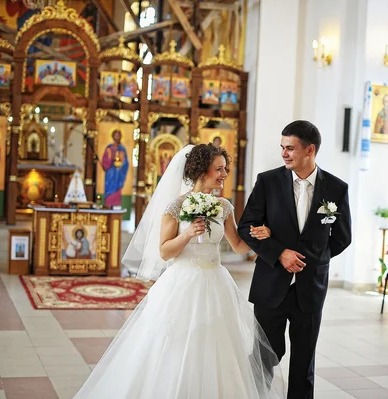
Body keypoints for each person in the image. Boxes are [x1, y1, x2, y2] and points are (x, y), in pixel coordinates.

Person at [74, 144, 284, 398]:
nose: (224, 174)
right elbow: (164, 252)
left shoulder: (224, 206)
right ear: (201, 170)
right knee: (175, 344)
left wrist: (260, 235)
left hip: (216, 282)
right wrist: (187, 234)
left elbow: (239, 246)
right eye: (219, 169)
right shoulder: (175, 206)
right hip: (182, 283)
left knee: (217, 345)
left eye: (226, 169)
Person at [238, 120, 352, 398]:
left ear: (309, 150)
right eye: (282, 147)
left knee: (303, 362)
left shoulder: (336, 188)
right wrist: (280, 254)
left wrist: (310, 262)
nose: (284, 153)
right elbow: (246, 226)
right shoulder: (268, 181)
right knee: (265, 355)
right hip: (270, 284)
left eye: (290, 148)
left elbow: (342, 237)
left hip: (310, 288)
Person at [101, 130, 129, 207]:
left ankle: (116, 211)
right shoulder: (109, 148)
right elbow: (104, 161)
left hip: (119, 174)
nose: (117, 137)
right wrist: (111, 159)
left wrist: (121, 163)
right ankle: (108, 207)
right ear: (112, 136)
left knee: (117, 192)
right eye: (115, 135)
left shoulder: (122, 149)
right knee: (109, 191)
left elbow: (126, 163)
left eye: (118, 135)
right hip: (110, 174)